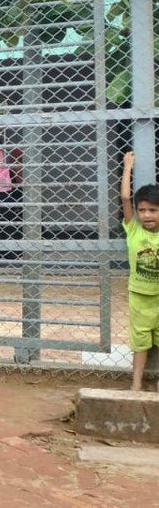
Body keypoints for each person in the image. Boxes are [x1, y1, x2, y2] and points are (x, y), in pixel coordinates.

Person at [121, 151, 159, 391]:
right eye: (143, 210)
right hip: (140, 297)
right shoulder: (134, 230)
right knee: (140, 343)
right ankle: (136, 385)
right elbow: (125, 198)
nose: (146, 215)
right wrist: (127, 167)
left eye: (153, 210)